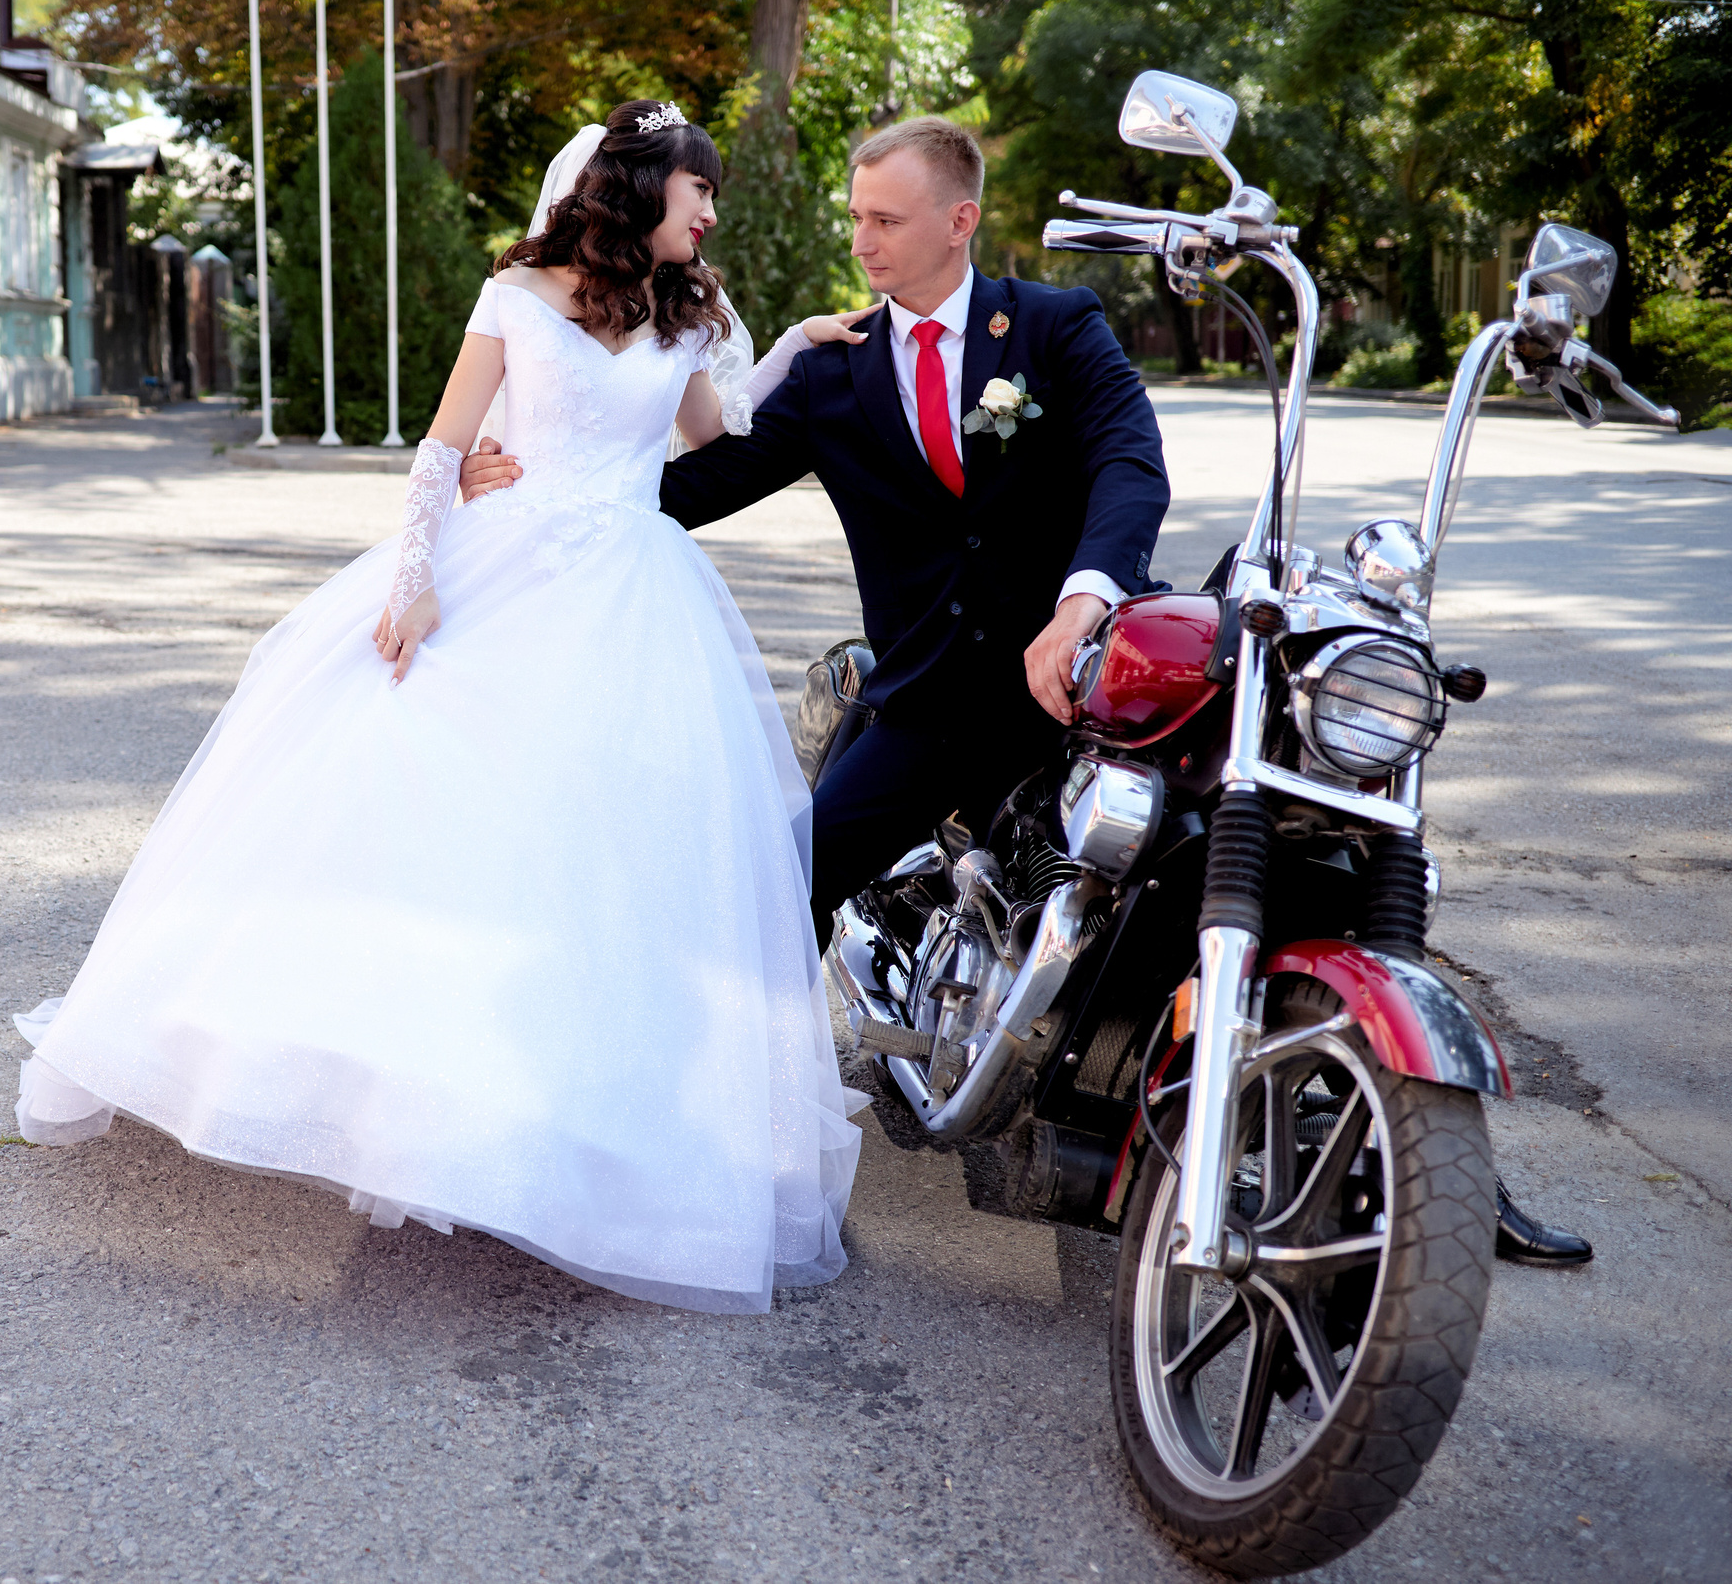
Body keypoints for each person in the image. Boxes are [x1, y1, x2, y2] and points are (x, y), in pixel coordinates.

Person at [458, 114, 1593, 1268]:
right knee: (772, 890)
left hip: (1088, 684)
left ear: (959, 221)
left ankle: (1437, 1159)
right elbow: (684, 488)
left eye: (883, 220)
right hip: (933, 705)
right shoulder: (836, 364)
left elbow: (1127, 460)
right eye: (855, 218)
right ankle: (655, 1131)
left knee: (1317, 845)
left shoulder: (1053, 326)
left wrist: (1080, 602)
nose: (860, 241)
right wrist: (519, 477)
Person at [8, 100, 870, 1315]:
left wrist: (783, 347)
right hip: (501, 567)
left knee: (596, 848)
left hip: (632, 594)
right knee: (447, 822)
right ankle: (397, 1094)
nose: (711, 215)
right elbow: (441, 444)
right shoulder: (515, 296)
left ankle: (562, 1111)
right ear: (641, 191)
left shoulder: (690, 313)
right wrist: (412, 579)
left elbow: (714, 433)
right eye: (699, 193)